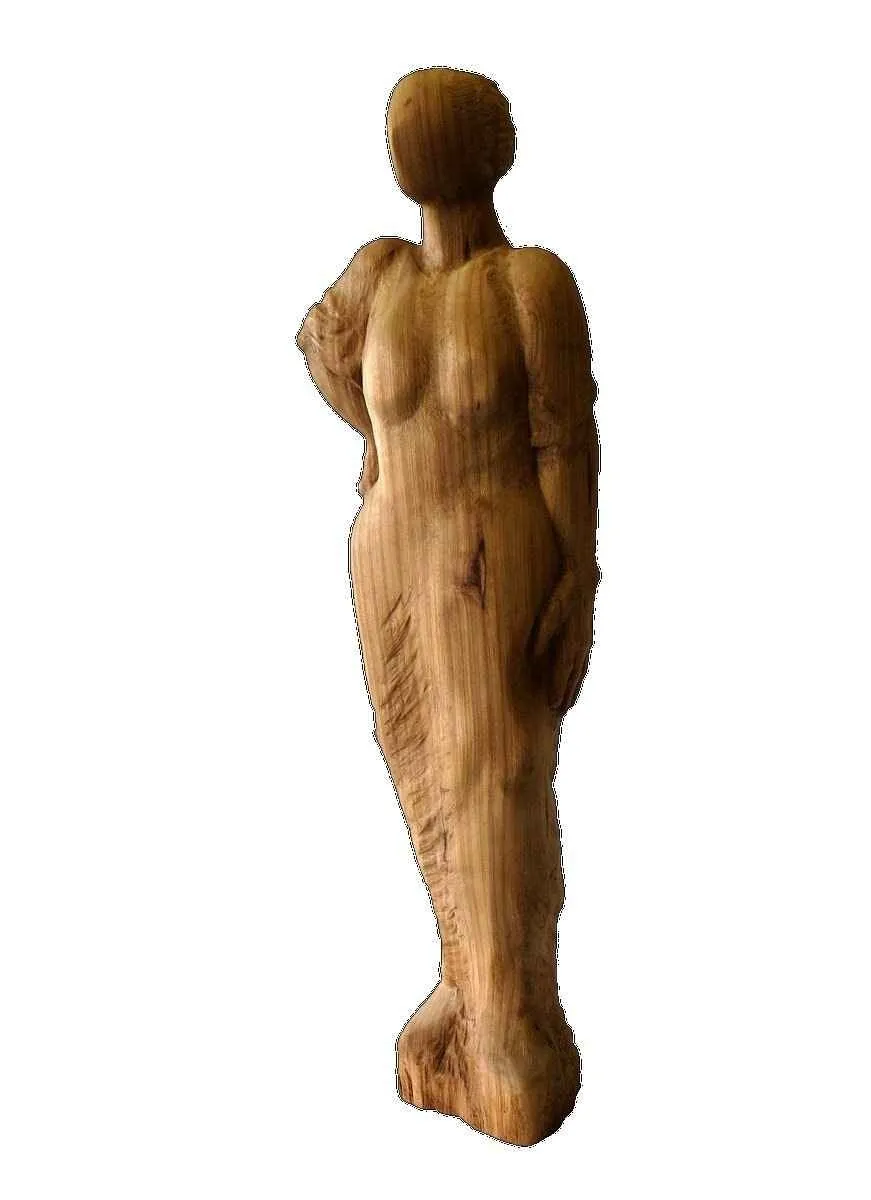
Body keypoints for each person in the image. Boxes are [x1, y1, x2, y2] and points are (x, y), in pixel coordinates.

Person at [297, 66, 599, 1145]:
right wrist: (381, 442)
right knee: (423, 772)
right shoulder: (380, 273)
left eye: (426, 127)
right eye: (402, 129)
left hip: (489, 560)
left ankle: (513, 1035)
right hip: (390, 553)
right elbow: (320, 345)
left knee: (496, 782)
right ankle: (467, 986)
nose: (407, 145)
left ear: (485, 147)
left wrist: (578, 579)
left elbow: (565, 440)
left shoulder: (530, 282)